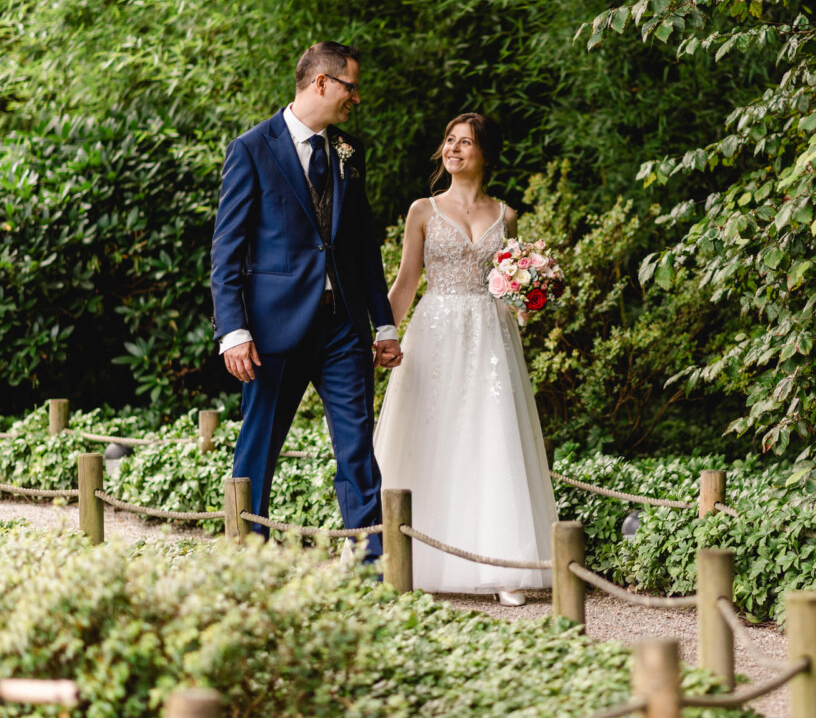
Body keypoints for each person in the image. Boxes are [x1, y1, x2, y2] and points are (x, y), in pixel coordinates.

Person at [210, 42, 402, 563]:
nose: (356, 98)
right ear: (321, 82)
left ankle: (370, 564)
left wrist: (383, 324)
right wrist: (233, 331)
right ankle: (248, 559)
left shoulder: (350, 152)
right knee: (259, 447)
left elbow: (361, 245)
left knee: (357, 447)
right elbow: (227, 249)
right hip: (273, 331)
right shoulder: (252, 148)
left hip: (344, 328)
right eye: (351, 87)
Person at [373, 113, 557, 604]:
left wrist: (530, 293)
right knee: (431, 435)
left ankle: (502, 569)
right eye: (449, 140)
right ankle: (408, 558)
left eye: (466, 142)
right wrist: (384, 334)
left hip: (492, 337)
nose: (453, 149)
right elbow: (406, 281)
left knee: (490, 437)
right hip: (436, 331)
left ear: (486, 154)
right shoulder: (423, 210)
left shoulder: (506, 216)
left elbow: (509, 285)